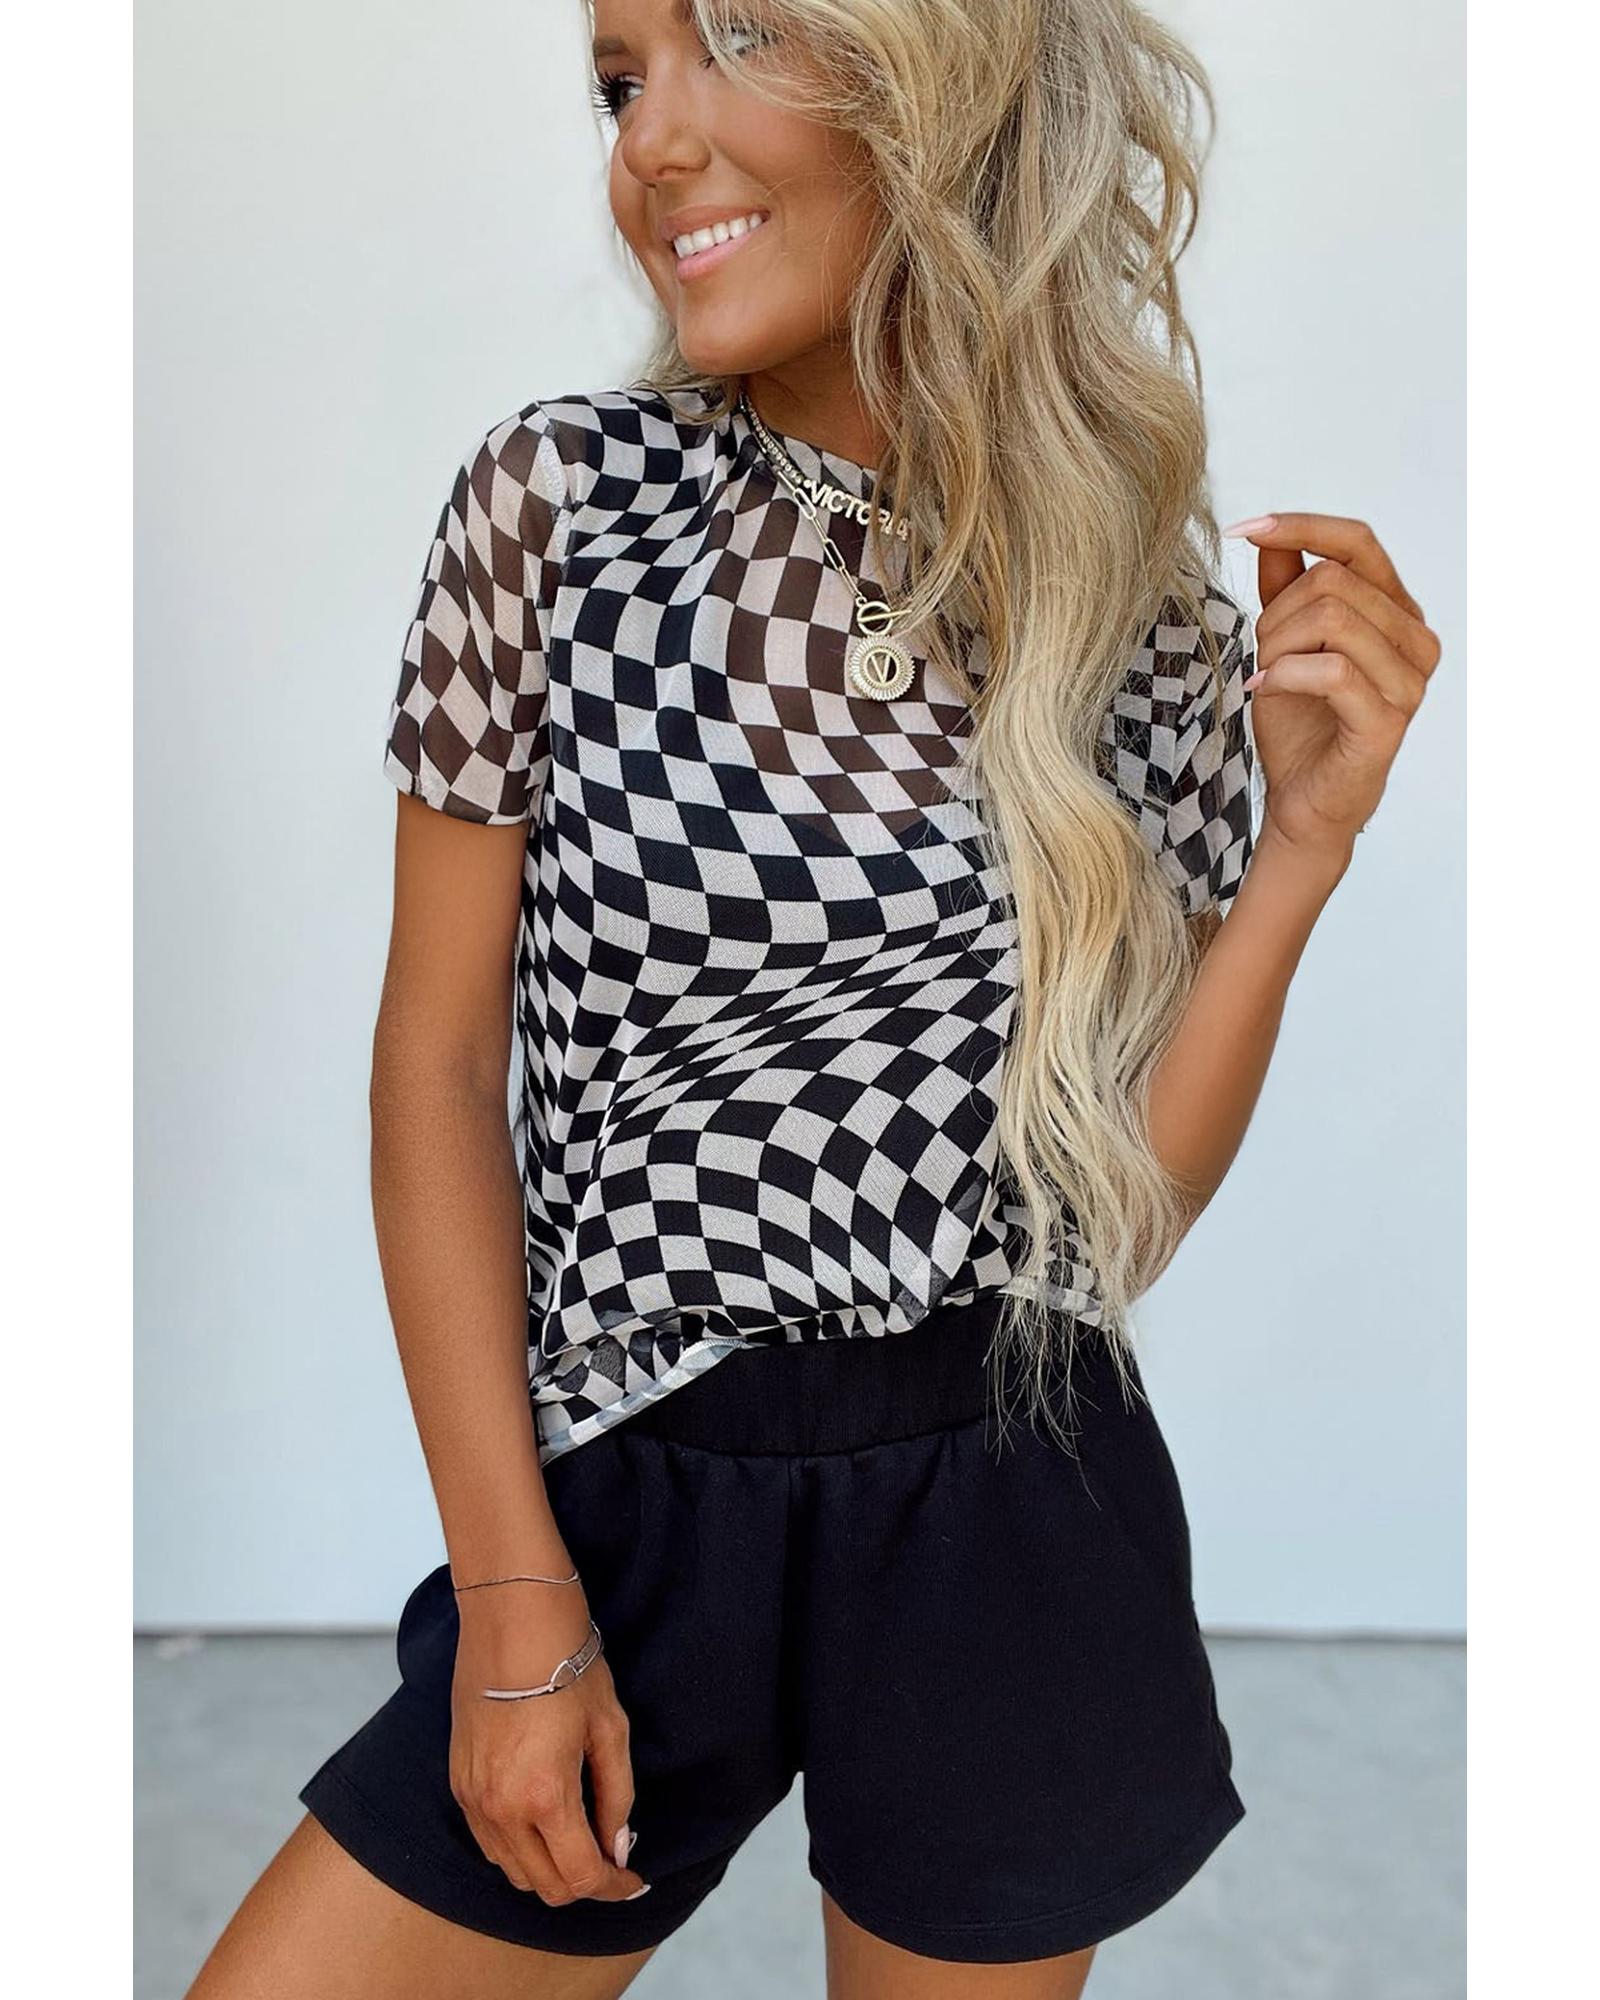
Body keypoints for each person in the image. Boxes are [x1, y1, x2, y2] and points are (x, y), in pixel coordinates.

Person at [186, 3, 1441, 1995]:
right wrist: (513, 1596)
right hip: (630, 1484)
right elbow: (435, 1065)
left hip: (1005, 1505)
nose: (650, 140)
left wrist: (1298, 853)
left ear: (932, 72)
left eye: (734, 40)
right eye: (620, 80)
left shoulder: (1137, 611)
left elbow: (1102, 1232)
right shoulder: (562, 506)